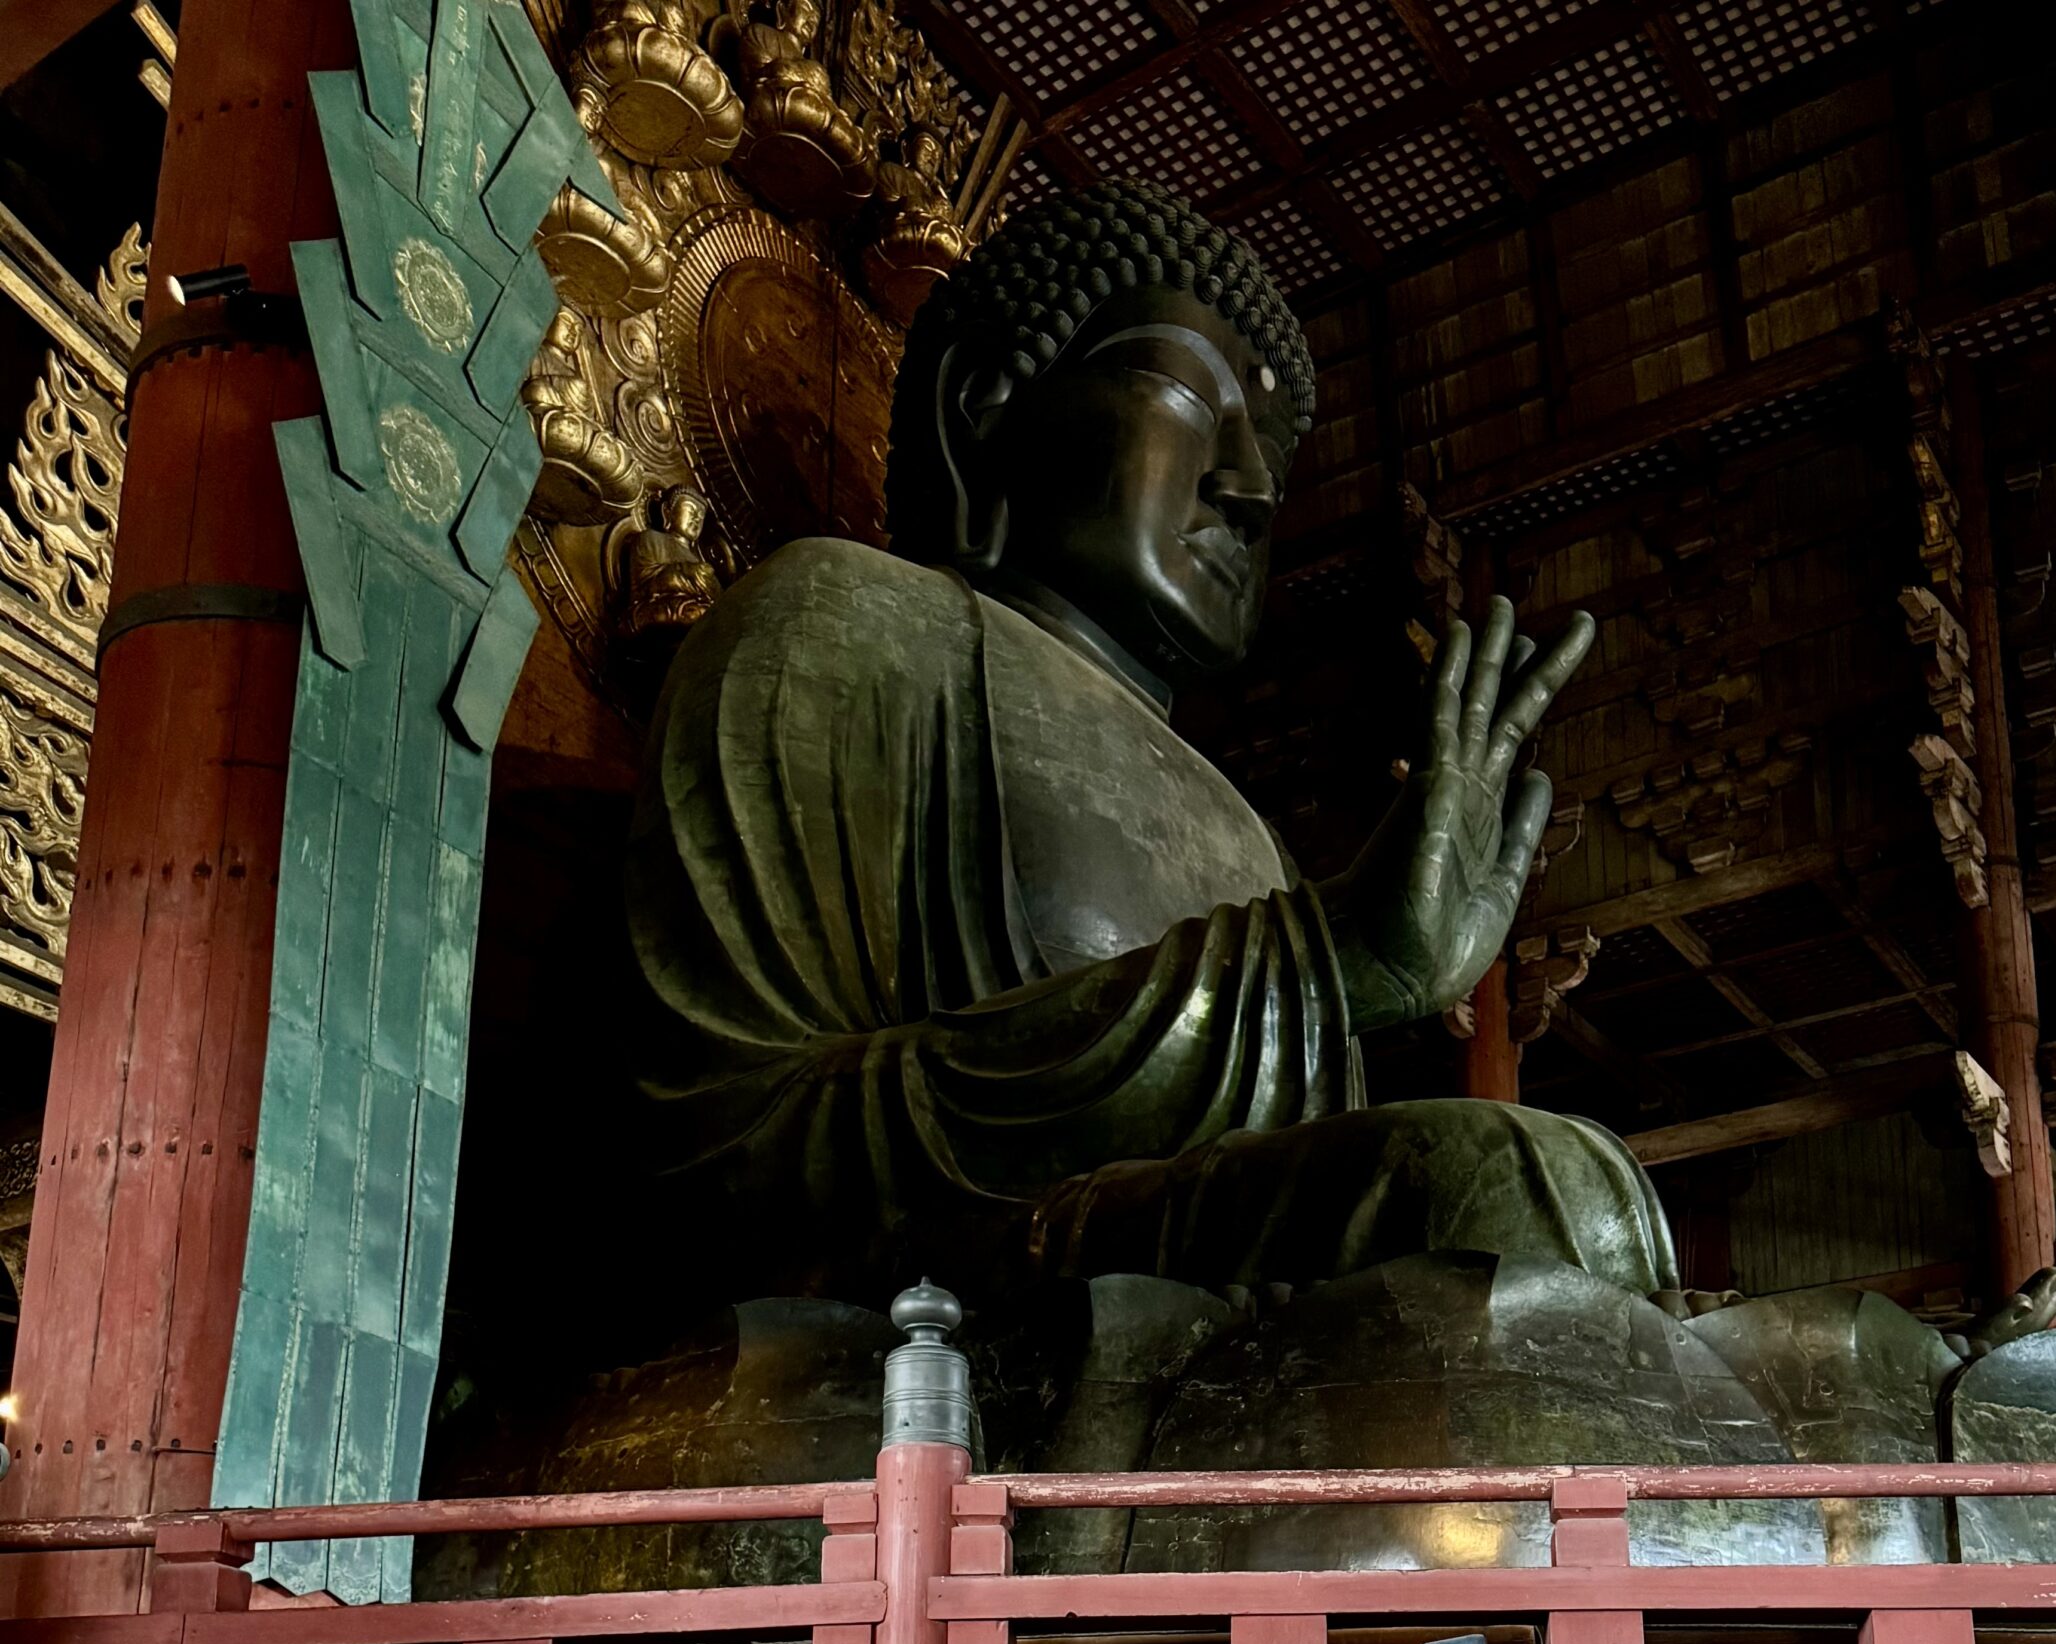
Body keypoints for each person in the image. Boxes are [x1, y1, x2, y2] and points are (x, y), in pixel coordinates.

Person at [624, 179, 1677, 1324]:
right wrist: (1323, 961)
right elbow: (737, 1149)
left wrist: (1324, 965)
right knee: (1516, 1191)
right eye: (1190, 395)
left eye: (1269, 448)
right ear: (984, 406)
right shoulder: (842, 620)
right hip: (940, 1287)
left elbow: (1281, 1183)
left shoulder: (1240, 828)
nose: (1253, 487)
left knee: (1633, 1225)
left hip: (1180, 1273)